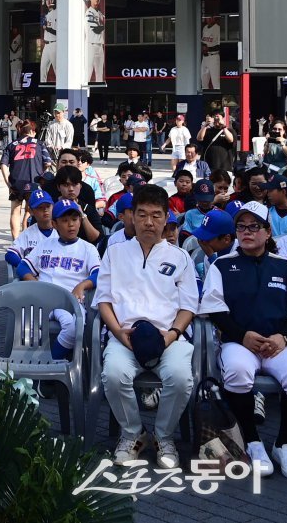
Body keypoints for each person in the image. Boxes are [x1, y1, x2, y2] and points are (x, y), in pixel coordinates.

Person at [95, 183, 198, 468]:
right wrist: (118, 333)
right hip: (125, 335)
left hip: (169, 336)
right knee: (114, 374)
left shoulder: (180, 258)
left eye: (156, 215)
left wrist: (172, 335)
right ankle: (133, 434)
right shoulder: (115, 253)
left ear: (167, 218)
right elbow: (103, 301)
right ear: (130, 217)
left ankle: (164, 436)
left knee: (180, 378)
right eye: (141, 214)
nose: (148, 222)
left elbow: (189, 306)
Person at [199, 201, 287, 477]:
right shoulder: (223, 265)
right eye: (241, 226)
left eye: (254, 227)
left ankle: (284, 443)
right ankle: (253, 442)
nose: (247, 232)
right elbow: (214, 310)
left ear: (267, 232)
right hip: (239, 343)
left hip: (278, 343)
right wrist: (242, 335)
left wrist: (283, 337)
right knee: (238, 372)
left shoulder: (285, 267)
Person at [19, 199, 100, 360]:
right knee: (25, 322)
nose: (71, 224)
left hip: (70, 300)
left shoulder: (87, 248)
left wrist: (82, 285)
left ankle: (51, 361)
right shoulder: (45, 244)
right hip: (43, 298)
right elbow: (22, 267)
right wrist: (34, 282)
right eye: (65, 220)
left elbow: (98, 274)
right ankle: (29, 365)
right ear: (54, 224)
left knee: (73, 327)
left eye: (74, 219)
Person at [1, 121, 52, 239]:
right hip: (34, 181)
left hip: (16, 182)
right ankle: (27, 239)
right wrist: (42, 173)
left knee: (15, 211)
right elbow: (48, 162)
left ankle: (15, 241)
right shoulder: (39, 143)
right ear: (32, 131)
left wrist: (8, 183)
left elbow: (3, 165)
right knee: (30, 211)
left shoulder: (12, 145)